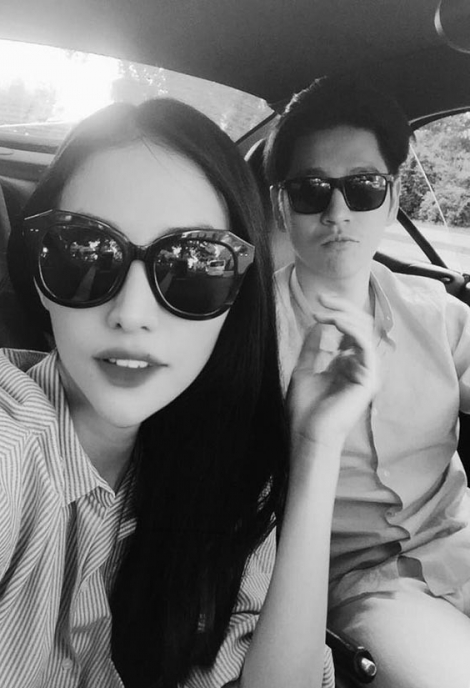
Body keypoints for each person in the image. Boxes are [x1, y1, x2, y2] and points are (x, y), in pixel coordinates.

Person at [0, 97, 377, 688]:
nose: (132, 313)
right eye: (85, 251)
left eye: (193, 264)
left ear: (237, 299)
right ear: (37, 274)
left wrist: (314, 449)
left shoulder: (222, 475)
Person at [264, 75, 470, 688]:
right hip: (355, 587)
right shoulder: (246, 337)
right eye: (310, 191)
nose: (337, 213)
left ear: (393, 194)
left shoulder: (439, 314)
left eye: (362, 188)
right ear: (280, 203)